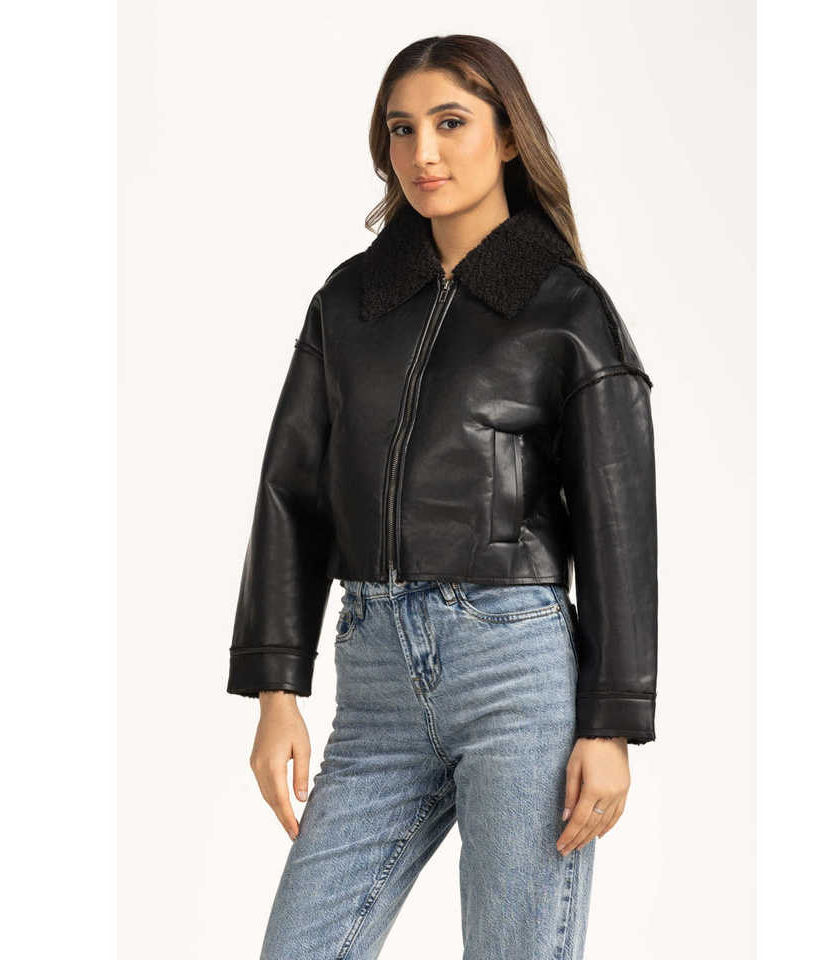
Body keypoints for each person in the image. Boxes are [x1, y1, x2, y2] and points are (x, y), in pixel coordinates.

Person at [227, 34, 658, 960]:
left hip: (516, 676)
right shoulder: (350, 303)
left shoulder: (567, 309)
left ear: (508, 137)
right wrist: (275, 688)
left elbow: (618, 527)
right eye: (402, 129)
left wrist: (612, 724)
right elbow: (291, 492)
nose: (423, 152)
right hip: (376, 678)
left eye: (451, 123)